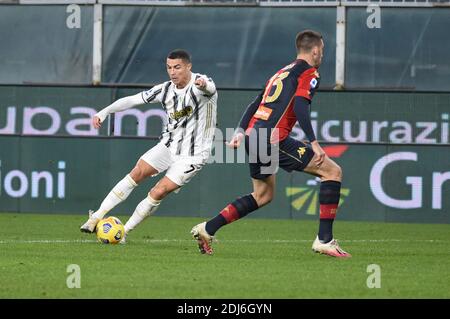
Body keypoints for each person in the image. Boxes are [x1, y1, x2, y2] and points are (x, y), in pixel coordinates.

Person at [191, 30, 351, 258]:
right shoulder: (309, 72)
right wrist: (314, 143)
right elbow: (300, 106)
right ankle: (324, 240)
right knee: (332, 172)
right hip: (272, 138)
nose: (322, 55)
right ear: (315, 50)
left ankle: (207, 229)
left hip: (254, 136)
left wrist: (240, 131)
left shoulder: (281, 73)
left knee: (263, 195)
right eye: (322, 50)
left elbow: (256, 102)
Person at [80, 49, 218, 243]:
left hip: (193, 154)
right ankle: (96, 217)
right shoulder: (165, 90)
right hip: (168, 146)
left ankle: (123, 233)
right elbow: (133, 100)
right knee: (137, 172)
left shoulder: (200, 84)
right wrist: (104, 112)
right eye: (169, 68)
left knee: (158, 191)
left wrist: (203, 84)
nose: (172, 72)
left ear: (188, 66)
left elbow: (209, 87)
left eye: (177, 67)